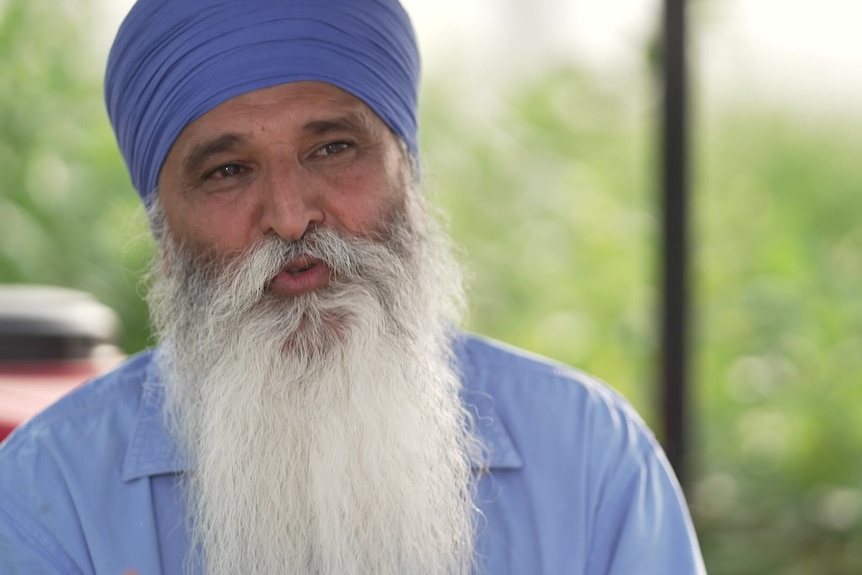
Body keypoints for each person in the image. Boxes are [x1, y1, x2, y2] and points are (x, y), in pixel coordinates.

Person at [0, 0, 707, 573]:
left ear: (411, 180)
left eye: (333, 149)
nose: (290, 216)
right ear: (164, 234)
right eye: (227, 172)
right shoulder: (48, 495)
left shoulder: (586, 456)